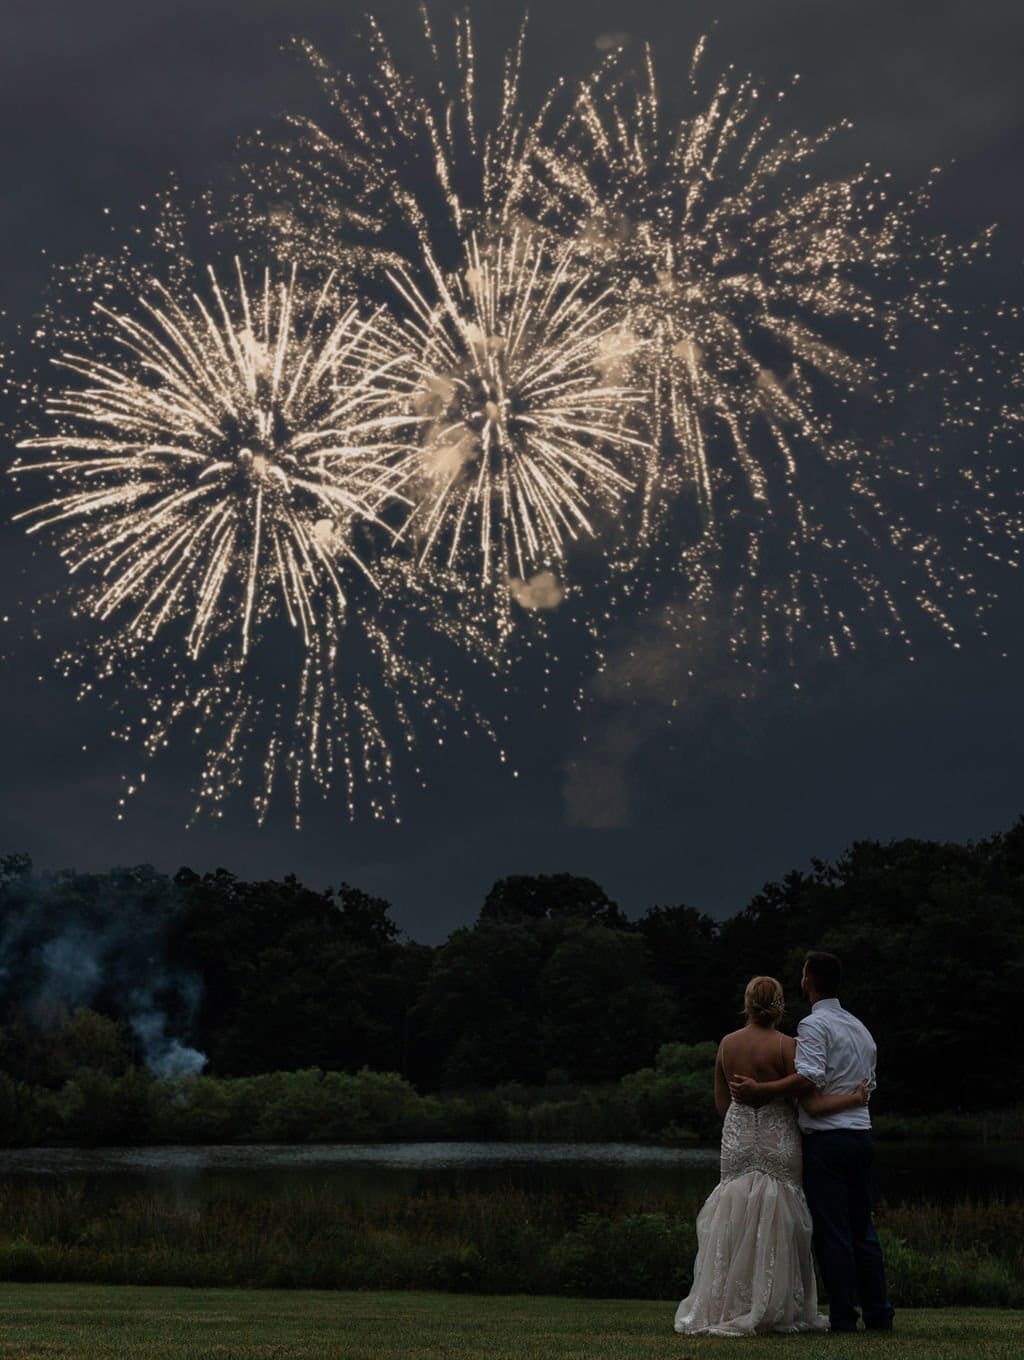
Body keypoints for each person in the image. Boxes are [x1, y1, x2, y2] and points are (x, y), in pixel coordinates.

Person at [674, 976, 869, 1336]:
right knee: (780, 1211)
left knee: (732, 1211)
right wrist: (852, 1100)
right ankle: (774, 1304)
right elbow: (808, 1100)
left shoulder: (727, 1044)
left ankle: (726, 1303)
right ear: (779, 1005)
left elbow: (722, 1103)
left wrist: (743, 1114)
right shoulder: (786, 1046)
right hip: (778, 1136)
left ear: (747, 1004)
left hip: (739, 1135)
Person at [729, 952, 895, 1334]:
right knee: (862, 1231)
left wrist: (761, 1090)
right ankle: (879, 1315)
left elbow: (808, 1079)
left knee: (833, 1234)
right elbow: (865, 1087)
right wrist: (852, 1101)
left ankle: (843, 1318)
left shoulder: (813, 1025)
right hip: (861, 1136)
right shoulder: (860, 1028)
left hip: (828, 1142)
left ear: (807, 981)